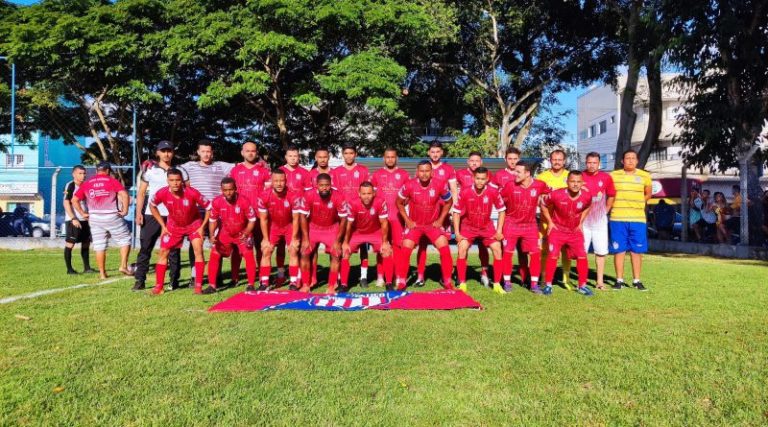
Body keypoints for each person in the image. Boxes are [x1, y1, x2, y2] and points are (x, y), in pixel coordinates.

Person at [133, 140, 187, 291]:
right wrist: (139, 213)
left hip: (173, 216)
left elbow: (187, 193)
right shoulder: (149, 170)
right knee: (145, 248)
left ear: (173, 153)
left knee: (174, 250)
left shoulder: (180, 171)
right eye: (163, 151)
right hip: (151, 214)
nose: (166, 153)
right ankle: (140, 280)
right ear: (157, 153)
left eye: (169, 150)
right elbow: (142, 193)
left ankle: (174, 281)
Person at [149, 168, 210, 295]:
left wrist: (202, 227)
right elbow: (152, 205)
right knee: (163, 252)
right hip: (173, 226)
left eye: (178, 180)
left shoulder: (192, 192)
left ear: (182, 181)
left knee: (198, 250)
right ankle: (159, 287)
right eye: (172, 180)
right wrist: (163, 225)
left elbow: (209, 207)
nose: (175, 183)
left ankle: (198, 287)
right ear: (167, 181)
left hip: (194, 225)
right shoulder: (162, 193)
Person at [181, 140, 234, 285]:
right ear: (198, 152)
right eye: (203, 151)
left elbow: (240, 166)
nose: (206, 154)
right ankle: (195, 276)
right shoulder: (189, 167)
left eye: (208, 151)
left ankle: (216, 275)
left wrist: (261, 163)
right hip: (196, 212)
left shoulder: (220, 166)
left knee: (217, 243)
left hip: (216, 212)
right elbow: (172, 170)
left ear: (212, 153)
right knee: (195, 244)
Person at [396, 161, 455, 290]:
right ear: (417, 172)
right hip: (415, 226)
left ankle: (447, 281)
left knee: (445, 250)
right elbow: (399, 202)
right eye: (421, 171)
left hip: (432, 226)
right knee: (405, 250)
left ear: (432, 172)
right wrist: (407, 220)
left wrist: (440, 219)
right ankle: (401, 282)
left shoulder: (440, 184)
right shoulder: (409, 185)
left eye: (427, 171)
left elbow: (449, 202)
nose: (424, 174)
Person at [71, 162, 132, 279]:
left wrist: (83, 213)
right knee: (125, 239)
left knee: (99, 245)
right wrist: (124, 210)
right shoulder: (111, 181)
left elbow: (74, 200)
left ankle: (102, 274)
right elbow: (124, 194)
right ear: (108, 171)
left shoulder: (87, 183)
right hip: (112, 216)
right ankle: (123, 266)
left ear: (96, 171)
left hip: (94, 218)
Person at [452, 167, 506, 294]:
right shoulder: (464, 192)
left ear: (487, 179)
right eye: (477, 178)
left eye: (483, 179)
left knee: (497, 247)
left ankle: (497, 284)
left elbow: (502, 210)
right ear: (473, 178)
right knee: (462, 248)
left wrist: (499, 231)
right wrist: (457, 233)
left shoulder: (493, 191)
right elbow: (456, 212)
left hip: (486, 227)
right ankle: (462, 283)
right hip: (468, 227)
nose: (480, 182)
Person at [540, 171, 593, 296]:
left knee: (582, 256)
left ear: (582, 183)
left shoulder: (586, 196)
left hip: (575, 231)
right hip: (558, 230)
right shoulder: (557, 194)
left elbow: (588, 206)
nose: (575, 184)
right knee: (552, 255)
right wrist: (550, 222)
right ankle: (548, 285)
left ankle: (582, 286)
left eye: (578, 182)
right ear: (567, 182)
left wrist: (581, 222)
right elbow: (543, 204)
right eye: (572, 181)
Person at [500, 162, 549, 292]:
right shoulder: (510, 185)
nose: (514, 174)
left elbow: (549, 194)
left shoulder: (540, 185)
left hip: (530, 225)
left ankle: (534, 284)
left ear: (527, 173)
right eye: (514, 171)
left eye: (518, 172)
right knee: (508, 253)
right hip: (511, 223)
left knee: (535, 254)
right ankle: (507, 282)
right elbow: (499, 200)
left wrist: (545, 198)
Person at [414, 141, 458, 287]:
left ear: (442, 153)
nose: (435, 154)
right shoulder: (423, 167)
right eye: (432, 152)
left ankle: (445, 277)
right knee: (422, 245)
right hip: (425, 214)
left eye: (438, 152)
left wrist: (453, 209)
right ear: (428, 152)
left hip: (442, 214)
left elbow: (453, 189)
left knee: (443, 244)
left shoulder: (448, 169)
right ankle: (420, 276)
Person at [203, 178, 258, 294]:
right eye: (225, 190)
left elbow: (252, 220)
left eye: (231, 189)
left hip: (242, 232)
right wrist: (212, 235)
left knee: (248, 254)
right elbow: (212, 220)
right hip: (226, 232)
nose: (228, 192)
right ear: (221, 190)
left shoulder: (244, 201)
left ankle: (251, 284)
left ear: (235, 189)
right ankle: (212, 285)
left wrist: (246, 233)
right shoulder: (217, 201)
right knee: (215, 253)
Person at [296, 173, 348, 293]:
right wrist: (305, 238)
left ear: (331, 185)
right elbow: (302, 216)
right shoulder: (309, 194)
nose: (324, 188)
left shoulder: (338, 196)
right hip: (313, 228)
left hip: (331, 228)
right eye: (321, 185)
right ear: (316, 185)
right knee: (304, 252)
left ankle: (331, 286)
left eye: (327, 185)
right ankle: (305, 284)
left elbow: (344, 219)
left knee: (336, 254)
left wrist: (338, 241)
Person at [609, 149, 652, 291]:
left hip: (638, 219)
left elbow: (648, 194)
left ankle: (637, 281)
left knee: (636, 251)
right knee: (619, 250)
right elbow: (608, 194)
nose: (631, 160)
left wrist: (638, 204)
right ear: (622, 161)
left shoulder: (645, 176)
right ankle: (619, 281)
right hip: (617, 218)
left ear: (637, 161)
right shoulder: (613, 175)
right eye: (627, 158)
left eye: (633, 158)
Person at [330, 144, 372, 286]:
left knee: (363, 246)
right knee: (341, 246)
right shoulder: (336, 172)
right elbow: (334, 194)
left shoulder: (363, 170)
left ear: (355, 154)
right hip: (342, 215)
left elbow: (369, 193)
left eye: (351, 153)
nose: (349, 156)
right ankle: (341, 277)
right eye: (346, 153)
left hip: (361, 215)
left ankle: (364, 277)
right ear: (343, 154)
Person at [341, 182, 394, 291]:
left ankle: (389, 283)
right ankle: (344, 284)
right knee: (345, 252)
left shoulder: (380, 202)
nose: (366, 196)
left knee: (387, 251)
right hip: (357, 233)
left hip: (375, 232)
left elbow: (384, 223)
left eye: (369, 193)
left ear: (374, 193)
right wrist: (345, 242)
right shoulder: (353, 203)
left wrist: (384, 242)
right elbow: (349, 224)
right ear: (359, 193)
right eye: (364, 193)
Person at [229, 141, 272, 274]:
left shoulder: (264, 170)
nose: (250, 153)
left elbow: (269, 193)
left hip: (259, 215)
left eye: (253, 151)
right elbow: (229, 192)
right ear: (242, 153)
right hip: (241, 215)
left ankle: (261, 274)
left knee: (260, 245)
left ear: (256, 153)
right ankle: (235, 276)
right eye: (247, 151)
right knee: (238, 247)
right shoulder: (235, 170)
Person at [370, 148, 410, 287]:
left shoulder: (404, 174)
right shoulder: (377, 174)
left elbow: (408, 195)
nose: (390, 159)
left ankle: (398, 275)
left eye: (392, 157)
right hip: (381, 217)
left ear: (396, 158)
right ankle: (380, 276)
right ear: (383, 158)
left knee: (398, 247)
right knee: (383, 245)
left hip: (398, 216)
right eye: (387, 157)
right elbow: (371, 196)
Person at [257, 170, 303, 290]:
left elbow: (296, 219)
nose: (279, 184)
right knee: (266, 250)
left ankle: (293, 282)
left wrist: (294, 238)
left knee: (293, 249)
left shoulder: (293, 195)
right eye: (276, 181)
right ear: (271, 181)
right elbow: (264, 219)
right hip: (274, 227)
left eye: (281, 180)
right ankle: (264, 282)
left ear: (286, 180)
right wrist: (265, 239)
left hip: (289, 226)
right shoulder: (264, 196)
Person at [455, 151, 493, 286]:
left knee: (484, 247)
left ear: (481, 162)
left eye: (477, 161)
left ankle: (484, 273)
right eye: (472, 161)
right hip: (465, 218)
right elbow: (453, 190)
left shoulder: (486, 174)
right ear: (467, 162)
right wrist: (454, 209)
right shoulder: (459, 174)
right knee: (463, 246)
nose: (474, 163)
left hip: (481, 217)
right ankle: (460, 276)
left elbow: (492, 191)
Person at [275, 146, 312, 285]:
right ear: (286, 157)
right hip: (281, 215)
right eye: (290, 156)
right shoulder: (280, 171)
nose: (293, 158)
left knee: (296, 246)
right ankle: (280, 274)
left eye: (295, 156)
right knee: (280, 247)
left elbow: (308, 194)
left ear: (299, 157)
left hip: (299, 215)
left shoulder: (304, 172)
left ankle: (297, 277)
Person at [537, 149, 573, 289]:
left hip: (566, 221)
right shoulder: (542, 177)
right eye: (554, 159)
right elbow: (538, 198)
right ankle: (544, 278)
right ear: (550, 160)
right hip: (547, 220)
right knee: (544, 250)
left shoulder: (570, 176)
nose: (557, 162)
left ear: (564, 161)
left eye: (560, 159)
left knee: (566, 250)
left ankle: (566, 278)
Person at [581, 152, 616, 289]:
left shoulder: (606, 177)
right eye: (589, 162)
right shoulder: (580, 176)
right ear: (586, 162)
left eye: (594, 163)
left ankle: (599, 281)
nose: (592, 165)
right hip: (583, 221)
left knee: (600, 252)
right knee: (581, 252)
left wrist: (605, 211)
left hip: (599, 221)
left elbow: (612, 195)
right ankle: (582, 281)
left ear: (599, 163)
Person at [62, 165, 95, 274]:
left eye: (84, 173)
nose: (83, 175)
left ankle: (87, 268)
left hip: (85, 219)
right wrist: (73, 218)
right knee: (70, 243)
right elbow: (66, 202)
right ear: (74, 174)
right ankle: (69, 269)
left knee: (86, 242)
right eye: (80, 173)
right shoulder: (70, 185)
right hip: (74, 219)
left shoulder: (87, 185)